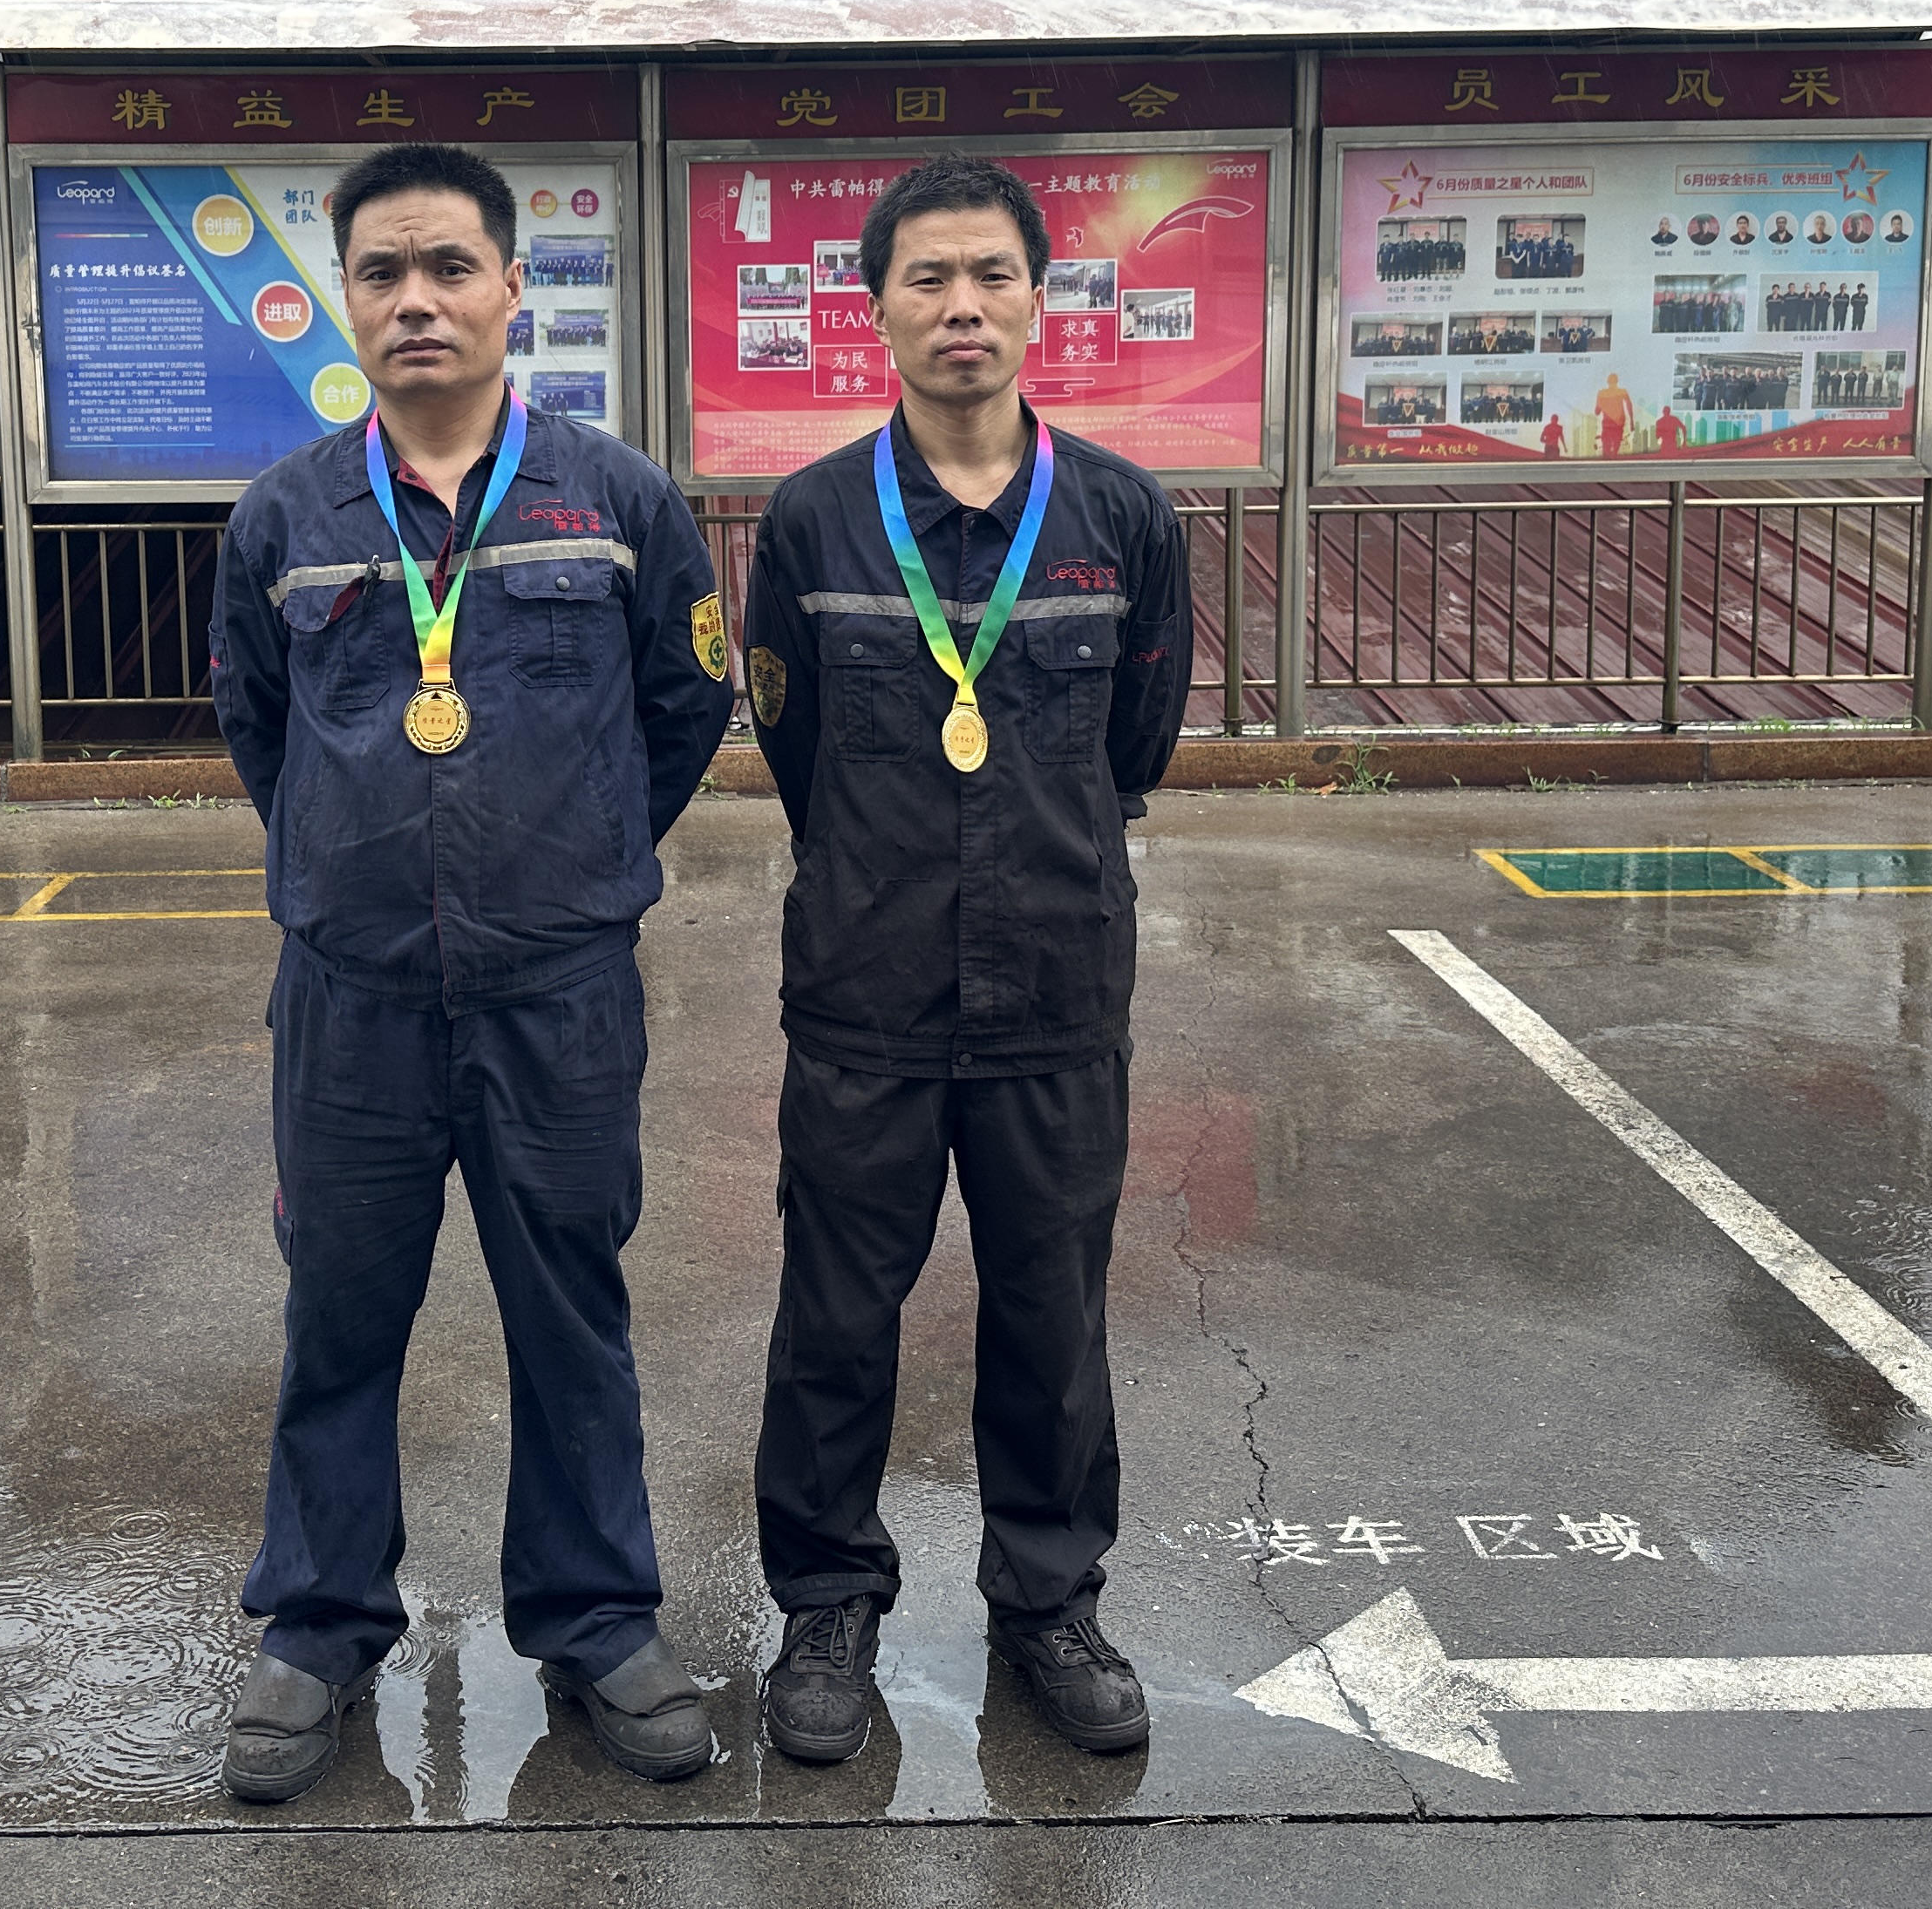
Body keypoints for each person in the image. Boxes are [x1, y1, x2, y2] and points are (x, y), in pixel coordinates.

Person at [207, 143, 739, 1804]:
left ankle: (595, 1621)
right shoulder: (286, 516)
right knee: (339, 1313)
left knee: (571, 1311)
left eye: (450, 267)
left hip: (557, 998)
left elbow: (683, 711)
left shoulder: (620, 501)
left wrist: (569, 866)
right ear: (347, 299)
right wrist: (357, 864)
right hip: (350, 999)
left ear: (516, 287)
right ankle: (318, 1626)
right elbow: (260, 730)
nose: (417, 300)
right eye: (383, 272)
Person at [739, 156, 1194, 1768]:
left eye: (992, 275)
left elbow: (1137, 742)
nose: (962, 307)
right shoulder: (812, 518)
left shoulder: (1122, 516)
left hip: (1056, 993)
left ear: (1038, 301)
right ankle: (825, 1605)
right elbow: (792, 746)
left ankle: (1049, 1602)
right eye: (927, 278)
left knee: (1053, 1318)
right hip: (863, 997)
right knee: (835, 1318)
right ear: (876, 310)